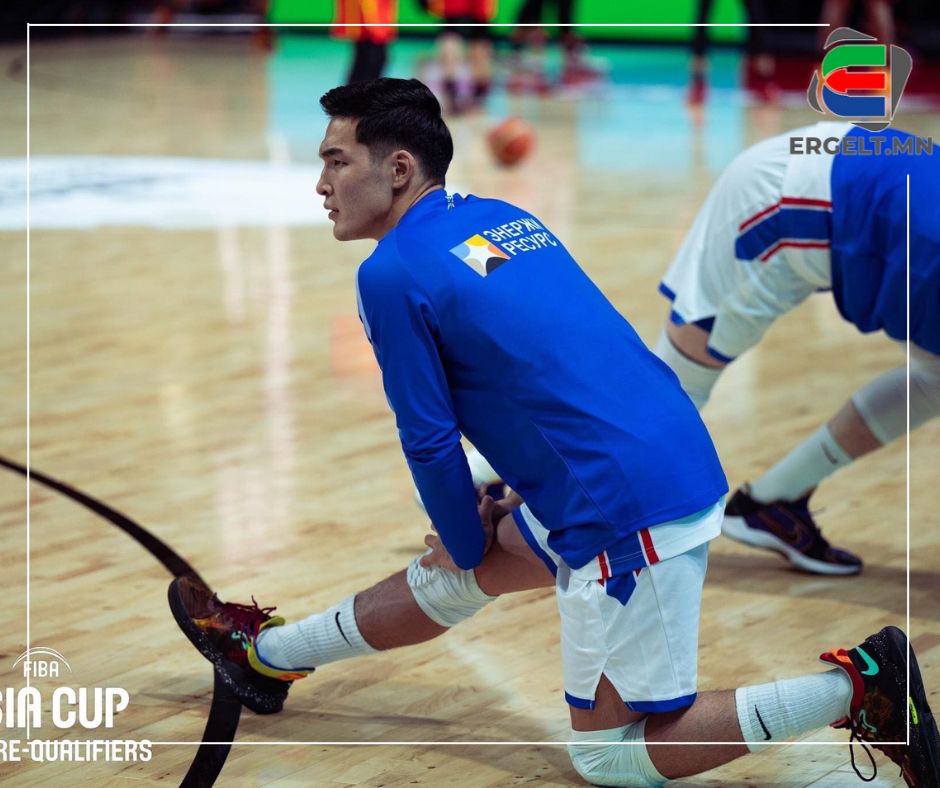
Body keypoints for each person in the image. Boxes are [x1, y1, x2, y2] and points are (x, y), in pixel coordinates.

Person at [169, 80, 939, 786]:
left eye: (336, 161)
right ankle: (264, 658)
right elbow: (544, 358)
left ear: (398, 169)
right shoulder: (499, 220)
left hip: (623, 507)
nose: (321, 183)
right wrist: (494, 515)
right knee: (460, 576)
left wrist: (463, 535)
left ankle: (858, 688)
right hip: (653, 456)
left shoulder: (390, 273)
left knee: (609, 754)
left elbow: (429, 440)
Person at [652, 121, 939, 577]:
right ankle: (541, 503)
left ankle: (772, 503)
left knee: (936, 377)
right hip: (783, 197)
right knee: (676, 386)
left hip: (845, 177)